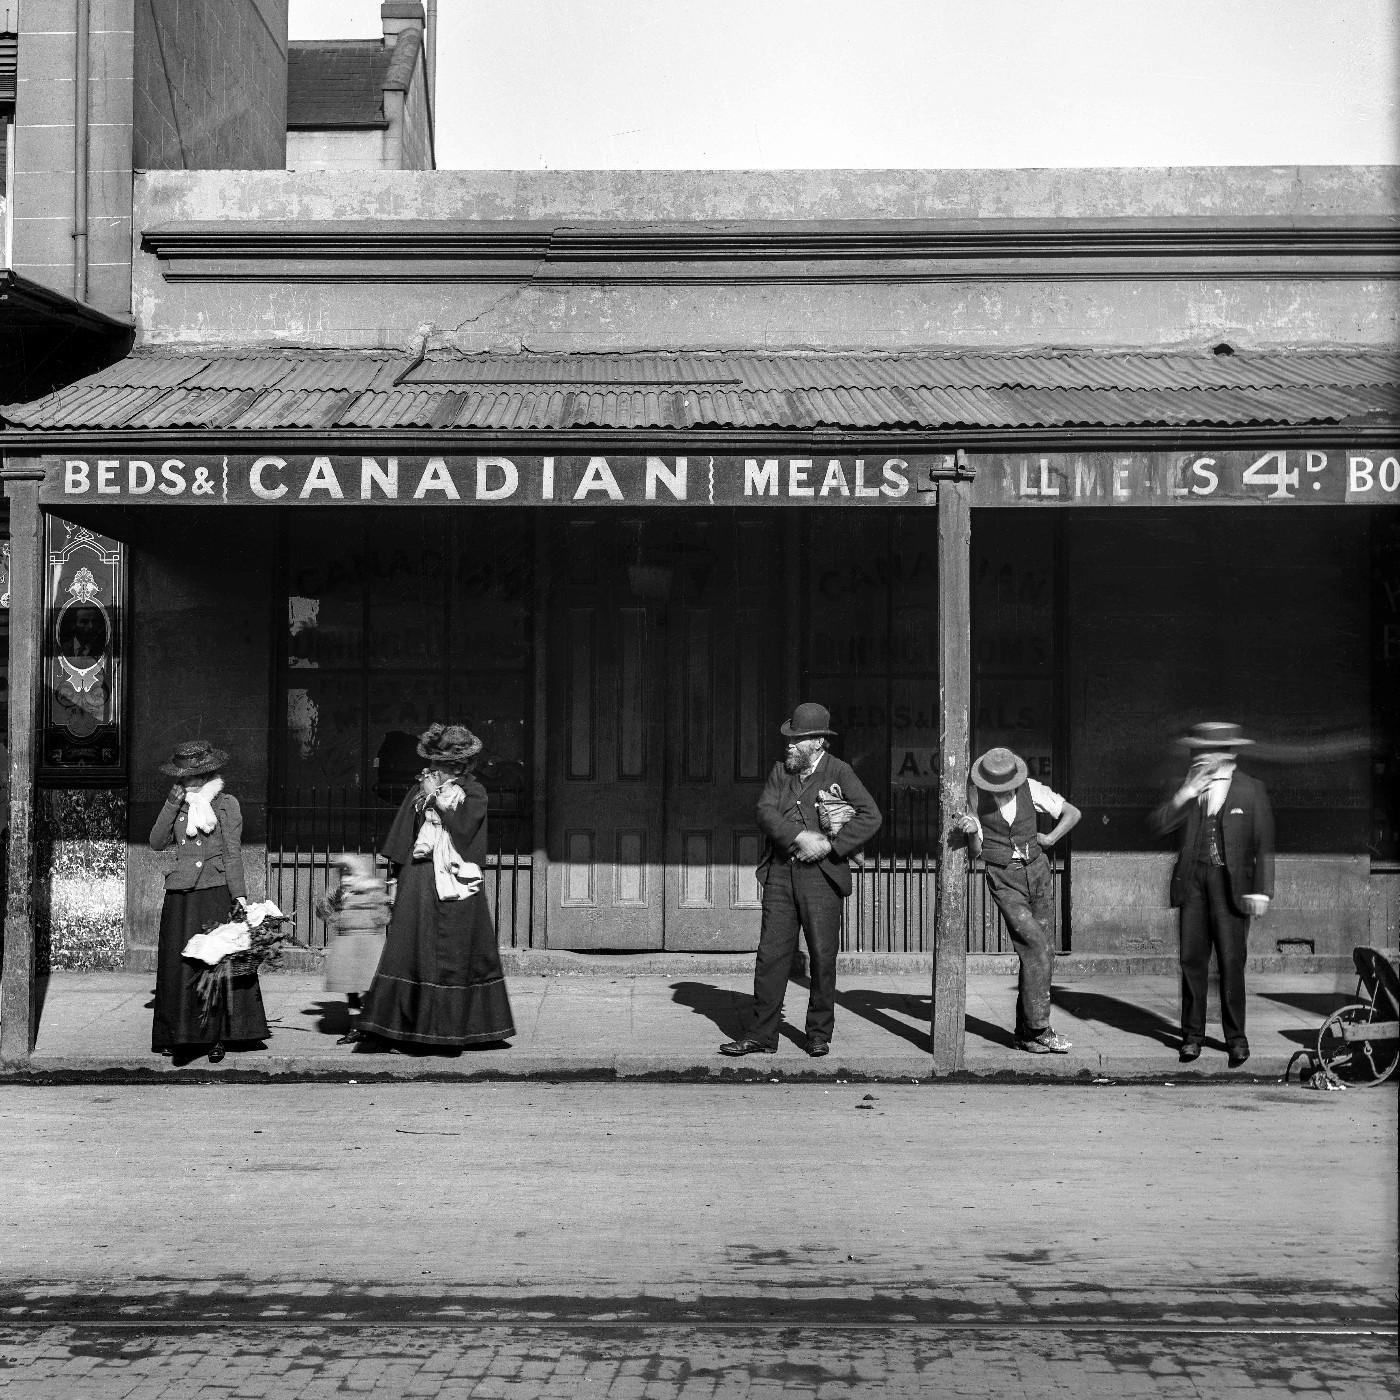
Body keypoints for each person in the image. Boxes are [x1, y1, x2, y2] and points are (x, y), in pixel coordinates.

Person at [721, 702, 882, 1058]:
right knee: (771, 955)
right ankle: (761, 1034)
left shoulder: (839, 771)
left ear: (818, 743)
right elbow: (764, 812)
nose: (789, 745)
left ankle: (818, 1034)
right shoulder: (781, 772)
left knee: (823, 957)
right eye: (789, 739)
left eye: (797, 740)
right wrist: (799, 837)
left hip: (821, 879)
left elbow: (871, 816)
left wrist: (829, 845)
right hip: (780, 874)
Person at [358, 723, 515, 1050]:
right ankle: (396, 1027)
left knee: (454, 953)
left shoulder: (474, 791)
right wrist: (394, 875)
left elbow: (463, 829)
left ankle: (454, 1030)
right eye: (433, 762)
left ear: (457, 766)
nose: (431, 769)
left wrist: (436, 798)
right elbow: (405, 833)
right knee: (408, 949)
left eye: (440, 764)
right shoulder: (420, 790)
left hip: (456, 881)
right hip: (418, 878)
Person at [1150, 721, 1274, 1068]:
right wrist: (1186, 793)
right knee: (1192, 961)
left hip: (1230, 885)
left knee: (1232, 963)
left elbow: (1263, 843)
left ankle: (1236, 1039)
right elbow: (1161, 824)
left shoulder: (1251, 789)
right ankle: (1192, 1037)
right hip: (1193, 882)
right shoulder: (1186, 786)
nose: (1202, 756)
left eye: (1211, 751)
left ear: (1229, 754)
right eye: (1199, 749)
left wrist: (1261, 890)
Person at [954, 747, 1081, 1054]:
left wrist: (1050, 839)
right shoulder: (975, 799)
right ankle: (1040, 1029)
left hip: (1037, 873)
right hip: (1004, 878)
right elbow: (974, 852)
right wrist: (972, 832)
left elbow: (1072, 813)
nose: (1003, 791)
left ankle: (1024, 1034)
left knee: (1039, 952)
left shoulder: (1031, 788)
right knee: (1037, 946)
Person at [149, 739, 268, 1062]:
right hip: (182, 896)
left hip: (216, 891)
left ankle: (216, 1036)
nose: (188, 782)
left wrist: (239, 896)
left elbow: (232, 853)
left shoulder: (226, 804)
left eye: (193, 776)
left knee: (215, 964)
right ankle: (179, 1035)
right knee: (181, 966)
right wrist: (171, 805)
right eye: (184, 777)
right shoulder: (177, 804)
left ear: (207, 775)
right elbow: (156, 842)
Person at [316, 852, 392, 1045]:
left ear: (361, 875)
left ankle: (373, 1026)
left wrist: (381, 903)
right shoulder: (340, 895)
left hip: (369, 946)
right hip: (347, 945)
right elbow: (331, 917)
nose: (345, 879)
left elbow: (382, 919)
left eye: (349, 875)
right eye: (342, 875)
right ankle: (355, 1027)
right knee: (350, 990)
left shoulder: (373, 893)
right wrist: (327, 906)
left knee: (370, 989)